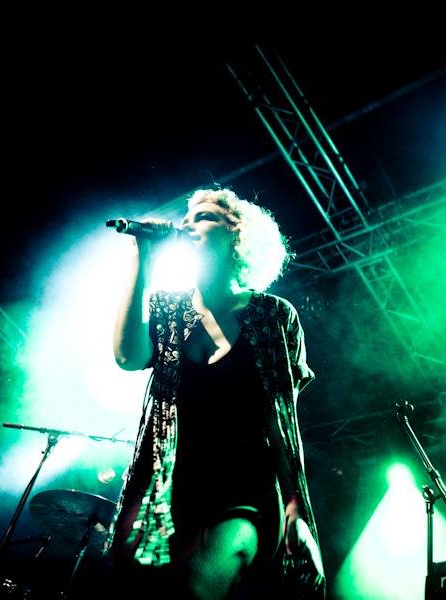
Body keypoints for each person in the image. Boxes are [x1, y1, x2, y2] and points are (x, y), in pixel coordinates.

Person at [107, 189, 325, 599]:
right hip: (169, 481)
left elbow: (282, 420)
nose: (187, 224)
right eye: (186, 218)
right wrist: (142, 255)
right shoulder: (169, 310)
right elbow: (127, 356)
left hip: (245, 488)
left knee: (197, 584)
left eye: (204, 217)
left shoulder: (273, 315)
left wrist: (297, 510)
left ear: (237, 236)